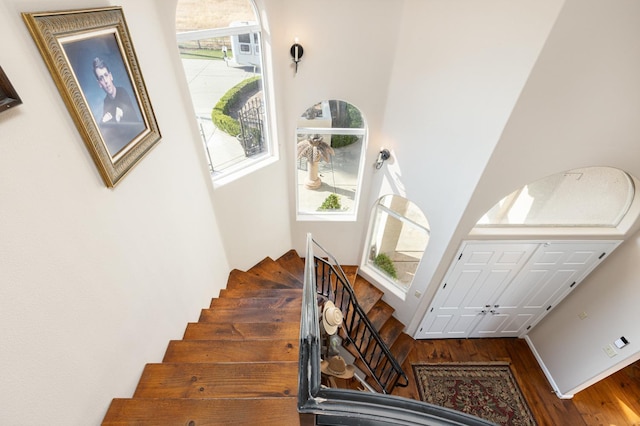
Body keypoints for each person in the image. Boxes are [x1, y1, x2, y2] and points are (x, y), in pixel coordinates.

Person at [92, 57, 138, 124]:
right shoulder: (106, 101)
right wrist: (103, 121)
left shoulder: (122, 92)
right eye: (101, 78)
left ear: (111, 76)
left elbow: (133, 119)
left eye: (106, 75)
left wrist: (122, 113)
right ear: (99, 84)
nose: (106, 81)